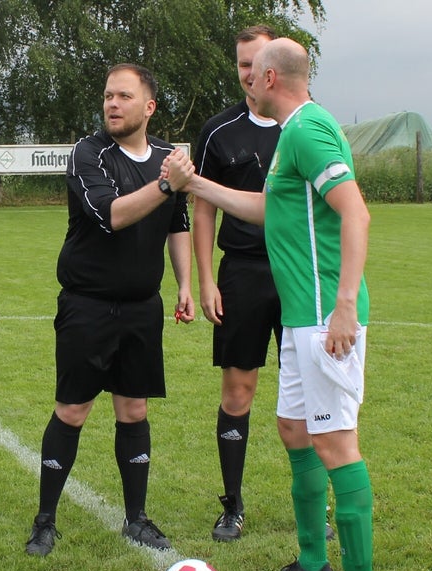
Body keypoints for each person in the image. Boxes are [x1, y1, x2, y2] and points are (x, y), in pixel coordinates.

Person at [167, 38, 380, 571]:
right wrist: (194, 185)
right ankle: (313, 562)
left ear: (268, 78)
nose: (245, 80)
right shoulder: (292, 132)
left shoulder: (308, 130)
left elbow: (356, 212)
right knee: (293, 429)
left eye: (251, 72)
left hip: (324, 315)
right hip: (299, 316)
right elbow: (269, 209)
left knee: (335, 443)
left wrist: (343, 305)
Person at [24, 63, 195, 557]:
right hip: (88, 305)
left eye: (124, 96)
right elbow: (112, 215)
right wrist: (167, 185)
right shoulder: (89, 153)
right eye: (108, 96)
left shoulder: (166, 157)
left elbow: (177, 223)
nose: (112, 104)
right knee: (72, 410)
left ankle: (136, 519)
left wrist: (185, 284)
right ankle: (45, 521)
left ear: (149, 106)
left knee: (134, 409)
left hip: (143, 308)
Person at [192, 25, 283, 542]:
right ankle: (232, 505)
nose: (250, 73)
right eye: (242, 63)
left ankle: (314, 504)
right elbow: (203, 207)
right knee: (238, 390)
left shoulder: (306, 123)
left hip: (298, 273)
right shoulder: (218, 131)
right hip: (242, 273)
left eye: (258, 62)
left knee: (306, 393)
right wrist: (207, 279)